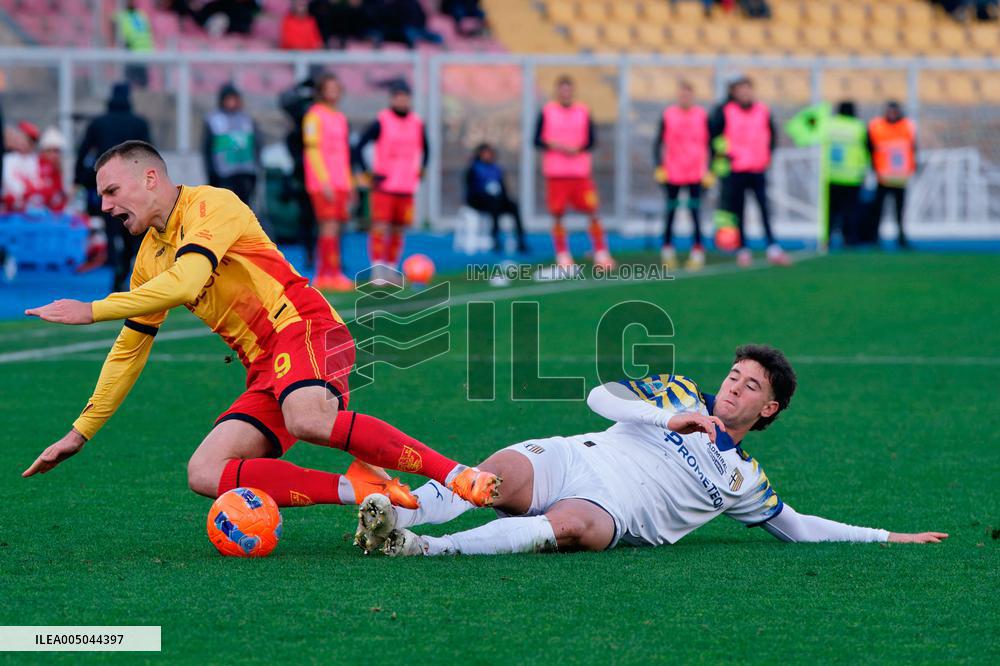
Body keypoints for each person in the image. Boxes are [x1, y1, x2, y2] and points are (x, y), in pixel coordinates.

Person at [21, 140, 500, 514]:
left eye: (111, 191)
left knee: (307, 418)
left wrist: (93, 309)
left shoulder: (211, 205)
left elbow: (189, 280)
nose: (104, 205)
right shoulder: (148, 258)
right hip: (265, 367)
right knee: (205, 472)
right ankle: (358, 487)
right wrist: (79, 433)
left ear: (150, 178)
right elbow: (130, 350)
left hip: (305, 325)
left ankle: (457, 474)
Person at [354, 345, 948, 557]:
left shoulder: (744, 479)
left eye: (751, 386)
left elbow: (799, 529)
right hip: (578, 454)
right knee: (496, 474)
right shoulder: (680, 393)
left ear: (767, 410)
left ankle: (424, 548)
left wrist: (889, 537)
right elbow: (598, 397)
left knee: (575, 525)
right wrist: (671, 416)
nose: (734, 386)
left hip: (615, 508)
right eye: (735, 375)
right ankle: (393, 516)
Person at [74, 82, 151, 293]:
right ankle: (125, 268)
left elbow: (83, 152)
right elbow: (148, 155)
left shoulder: (99, 123)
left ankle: (116, 266)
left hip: (106, 185)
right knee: (131, 230)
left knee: (110, 228)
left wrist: (79, 179)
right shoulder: (139, 123)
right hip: (132, 185)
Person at [709, 74, 790, 267]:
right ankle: (743, 249)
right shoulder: (725, 111)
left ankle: (772, 247)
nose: (745, 93)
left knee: (764, 208)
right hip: (736, 169)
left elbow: (772, 134)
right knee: (738, 211)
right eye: (740, 89)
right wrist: (723, 158)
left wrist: (768, 155)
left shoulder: (763, 110)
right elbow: (714, 138)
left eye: (747, 89)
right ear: (733, 92)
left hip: (757, 167)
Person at [534, 75, 613, 268]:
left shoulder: (583, 111)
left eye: (568, 90)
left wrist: (577, 149)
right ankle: (562, 255)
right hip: (556, 173)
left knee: (593, 210)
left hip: (580, 173)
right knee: (557, 214)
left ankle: (601, 253)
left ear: (572, 91)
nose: (565, 93)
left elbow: (592, 141)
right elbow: (536, 140)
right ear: (557, 92)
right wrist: (553, 144)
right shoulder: (547, 111)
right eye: (562, 90)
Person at [353, 81, 428, 275]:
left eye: (405, 97)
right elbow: (359, 146)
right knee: (380, 226)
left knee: (398, 229)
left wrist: (420, 172)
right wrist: (367, 172)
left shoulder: (417, 123)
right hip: (384, 184)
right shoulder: (382, 120)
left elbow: (426, 150)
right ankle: (378, 269)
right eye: (398, 97)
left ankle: (392, 268)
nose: (402, 101)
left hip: (406, 185)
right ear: (392, 99)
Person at [786, 100, 870, 248]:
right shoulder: (858, 127)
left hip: (832, 175)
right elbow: (866, 150)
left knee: (830, 211)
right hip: (852, 177)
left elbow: (810, 127)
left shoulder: (829, 124)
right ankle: (849, 239)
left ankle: (828, 238)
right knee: (850, 211)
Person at [303, 73, 354, 290]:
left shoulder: (340, 117)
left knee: (336, 227)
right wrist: (323, 181)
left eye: (336, 87)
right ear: (321, 91)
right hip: (323, 181)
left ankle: (333, 272)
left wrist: (349, 182)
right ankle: (326, 273)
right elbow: (312, 150)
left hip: (341, 181)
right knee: (328, 226)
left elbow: (343, 153)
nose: (333, 92)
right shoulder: (313, 116)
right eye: (329, 87)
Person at [652, 80, 709, 271]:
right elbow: (657, 143)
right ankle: (667, 251)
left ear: (693, 97)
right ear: (678, 97)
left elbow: (712, 144)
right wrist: (659, 167)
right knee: (670, 212)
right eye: (682, 95)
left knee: (695, 213)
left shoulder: (702, 116)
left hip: (695, 173)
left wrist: (710, 170)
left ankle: (697, 251)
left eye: (688, 95)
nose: (685, 98)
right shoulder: (668, 115)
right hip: (673, 172)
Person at [867, 101, 916, 249]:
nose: (892, 114)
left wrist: (912, 167)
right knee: (878, 210)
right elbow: (870, 147)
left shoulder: (907, 126)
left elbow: (913, 148)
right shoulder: (877, 126)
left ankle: (901, 237)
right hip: (883, 176)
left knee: (899, 211)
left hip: (900, 178)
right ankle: (875, 237)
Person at [202, 83, 259, 208]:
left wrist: (256, 169)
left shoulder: (247, 119)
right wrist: (211, 173)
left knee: (245, 208)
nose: (232, 102)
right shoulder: (214, 120)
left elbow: (256, 145)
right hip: (224, 174)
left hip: (245, 172)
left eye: (234, 99)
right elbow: (207, 149)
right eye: (228, 99)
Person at [464, 142, 528, 254]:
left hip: (497, 200)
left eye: (490, 153)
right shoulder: (473, 169)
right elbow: (470, 190)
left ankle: (521, 240)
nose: (488, 156)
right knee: (494, 205)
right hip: (479, 201)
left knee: (513, 205)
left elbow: (503, 188)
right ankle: (495, 239)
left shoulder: (497, 169)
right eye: (485, 153)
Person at [113, 1, 154, 88]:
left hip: (136, 52)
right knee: (139, 82)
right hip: (142, 52)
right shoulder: (141, 15)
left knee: (132, 83)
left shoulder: (122, 16)